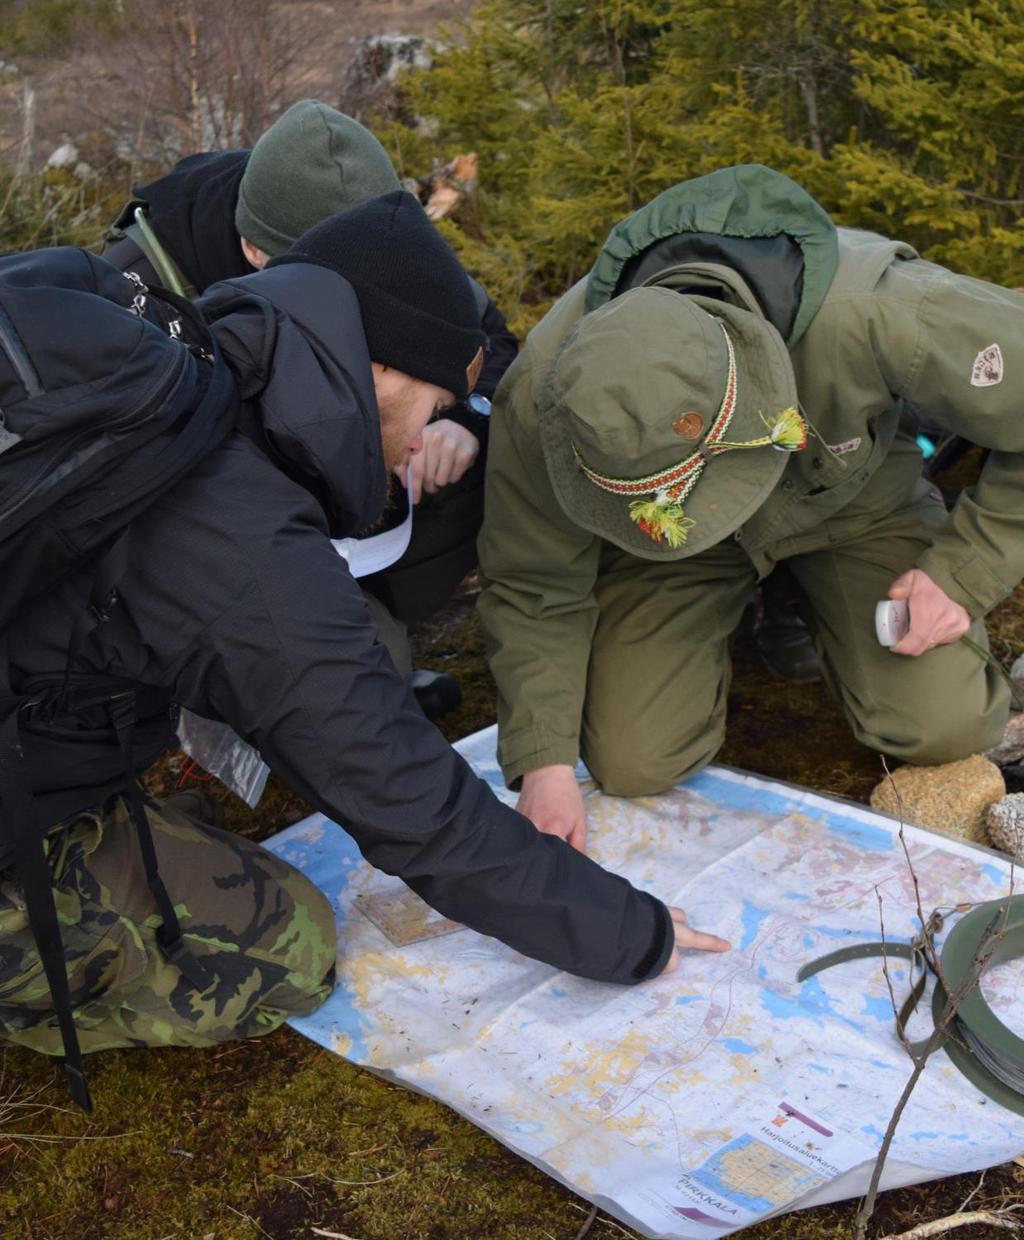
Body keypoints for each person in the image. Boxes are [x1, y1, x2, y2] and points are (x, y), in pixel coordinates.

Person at [0, 193, 730, 1070]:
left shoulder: (172, 356)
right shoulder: (240, 539)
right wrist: (629, 931)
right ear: (380, 370)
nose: (425, 436)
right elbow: (411, 802)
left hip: (41, 734)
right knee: (290, 949)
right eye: (434, 403)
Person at [478, 164, 1017, 852]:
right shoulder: (546, 394)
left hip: (853, 503)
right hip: (671, 541)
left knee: (944, 724)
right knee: (632, 761)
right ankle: (755, 606)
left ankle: (807, 600)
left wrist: (962, 572)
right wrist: (542, 762)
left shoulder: (876, 312)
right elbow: (532, 578)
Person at [104, 99, 519, 716]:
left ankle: (371, 633)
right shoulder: (137, 291)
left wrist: (462, 419)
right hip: (221, 540)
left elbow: (493, 341)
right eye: (328, 284)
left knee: (499, 451)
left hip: (354, 512)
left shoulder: (384, 239)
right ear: (252, 252)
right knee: (332, 698)